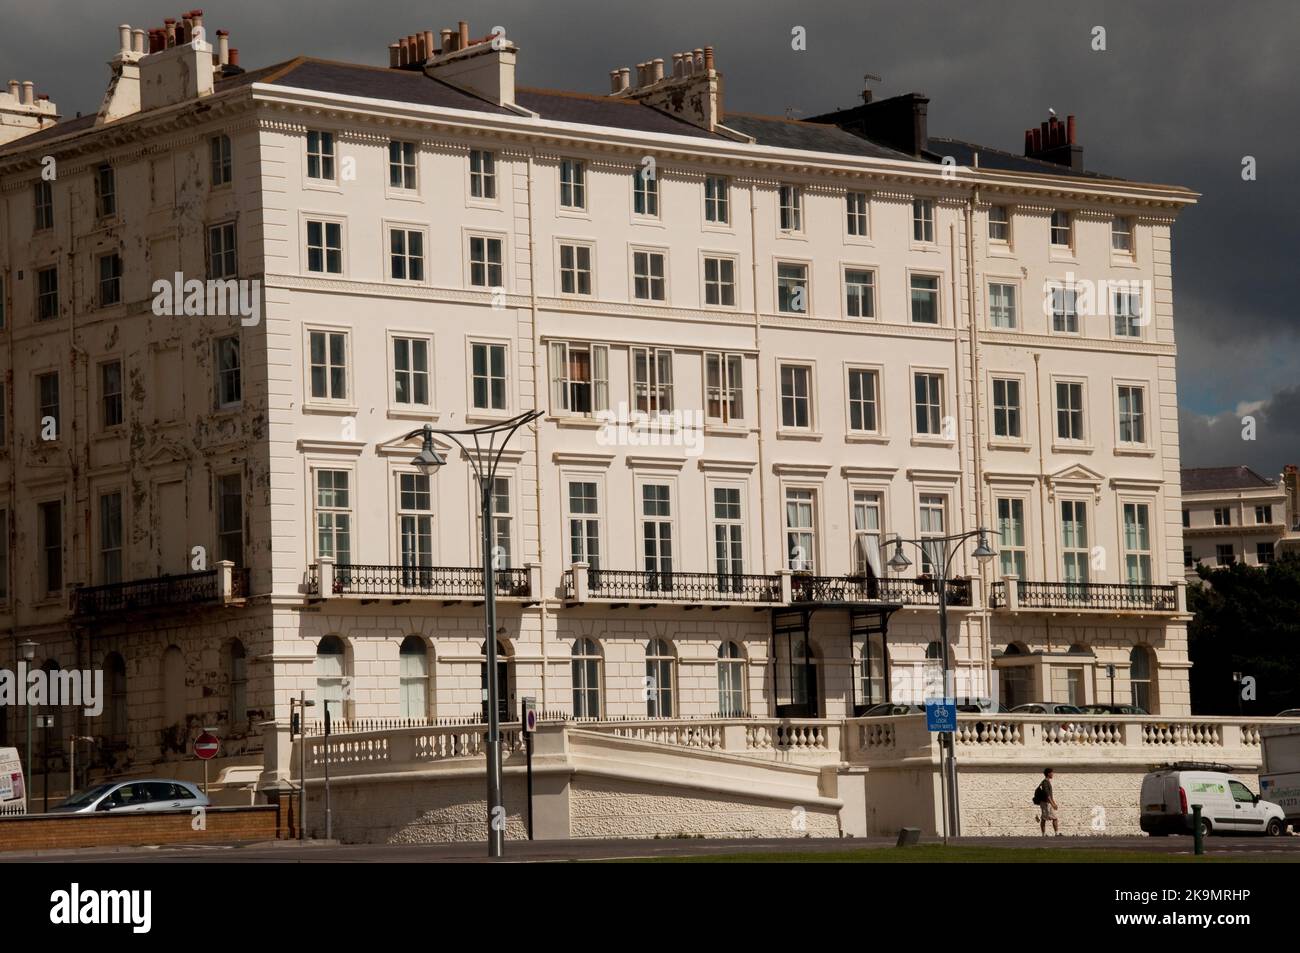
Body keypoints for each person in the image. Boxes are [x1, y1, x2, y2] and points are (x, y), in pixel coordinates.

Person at [1035, 767, 1060, 835]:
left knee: (1044, 818)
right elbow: (1047, 795)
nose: (1053, 774)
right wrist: (1053, 804)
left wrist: (1054, 803)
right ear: (1048, 773)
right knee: (1052, 818)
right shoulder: (1045, 782)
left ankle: (1045, 834)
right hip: (1046, 803)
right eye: (1052, 773)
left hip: (1047, 803)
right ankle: (1056, 833)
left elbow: (1050, 795)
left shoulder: (1046, 782)